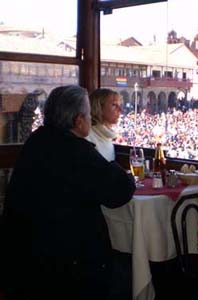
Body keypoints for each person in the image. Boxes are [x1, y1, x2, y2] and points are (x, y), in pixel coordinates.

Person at [2, 85, 135, 300]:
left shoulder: (37, 140)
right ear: (78, 120)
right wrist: (127, 174)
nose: (91, 120)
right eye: (88, 114)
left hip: (24, 256)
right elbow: (119, 191)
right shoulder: (75, 150)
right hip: (64, 267)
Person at [86, 88, 122, 161]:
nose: (120, 109)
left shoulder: (106, 135)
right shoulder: (88, 136)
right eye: (114, 105)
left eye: (119, 105)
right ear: (98, 107)